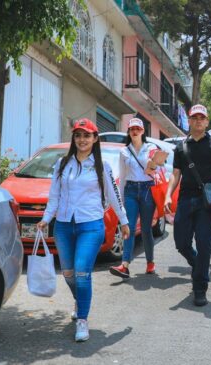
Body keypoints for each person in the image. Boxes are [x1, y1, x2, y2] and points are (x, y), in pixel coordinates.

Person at [37, 118, 130, 342]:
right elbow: (54, 196)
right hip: (64, 226)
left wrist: (124, 221)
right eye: (78, 135)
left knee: (81, 271)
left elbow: (114, 196)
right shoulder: (62, 164)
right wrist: (46, 218)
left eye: (87, 135)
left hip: (91, 225)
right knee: (68, 273)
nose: (82, 139)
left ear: (95, 139)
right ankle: (80, 299)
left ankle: (82, 319)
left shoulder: (102, 166)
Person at [164, 104, 211, 306]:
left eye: (201, 117)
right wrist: (168, 195)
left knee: (204, 244)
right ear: (189, 120)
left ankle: (200, 288)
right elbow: (175, 174)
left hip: (207, 201)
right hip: (185, 199)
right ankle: (198, 267)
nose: (198, 120)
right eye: (194, 117)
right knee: (181, 243)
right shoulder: (180, 147)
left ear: (206, 121)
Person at [109, 118, 164, 278]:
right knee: (130, 227)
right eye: (132, 129)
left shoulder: (151, 148)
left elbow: (160, 165)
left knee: (146, 229)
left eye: (137, 129)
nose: (134, 131)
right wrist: (120, 199)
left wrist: (155, 163)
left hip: (147, 190)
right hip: (131, 190)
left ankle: (150, 263)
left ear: (142, 131)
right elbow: (122, 174)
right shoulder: (124, 151)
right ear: (129, 131)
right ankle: (125, 265)